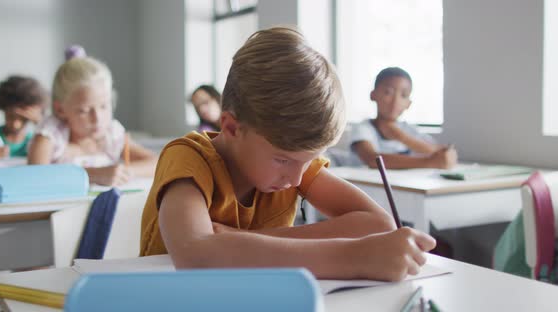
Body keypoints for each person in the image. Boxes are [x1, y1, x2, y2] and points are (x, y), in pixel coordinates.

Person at [140, 28, 436, 281]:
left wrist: (240, 242)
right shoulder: (189, 159)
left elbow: (377, 224)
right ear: (231, 127)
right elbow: (197, 258)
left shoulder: (291, 163)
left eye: (307, 161)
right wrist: (353, 256)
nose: (296, 177)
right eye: (283, 159)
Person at [28, 47, 157, 186]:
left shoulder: (111, 134)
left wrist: (124, 172)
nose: (97, 119)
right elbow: (36, 177)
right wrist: (92, 175)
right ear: (60, 109)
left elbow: (157, 163)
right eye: (84, 110)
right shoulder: (50, 136)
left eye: (104, 106)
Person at [350, 67, 457, 169]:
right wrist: (428, 162)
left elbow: (439, 151)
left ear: (409, 104)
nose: (395, 101)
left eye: (404, 95)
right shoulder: (364, 128)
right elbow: (371, 159)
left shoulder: (409, 130)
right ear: (373, 95)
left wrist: (401, 137)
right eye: (388, 92)